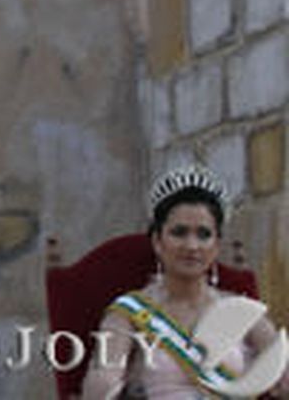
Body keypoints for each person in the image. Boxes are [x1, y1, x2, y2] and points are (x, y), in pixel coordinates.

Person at [82, 165, 289, 399]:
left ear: (217, 245)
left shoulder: (239, 310)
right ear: (158, 241)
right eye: (179, 232)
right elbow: (103, 381)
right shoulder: (130, 312)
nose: (192, 246)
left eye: (203, 234)